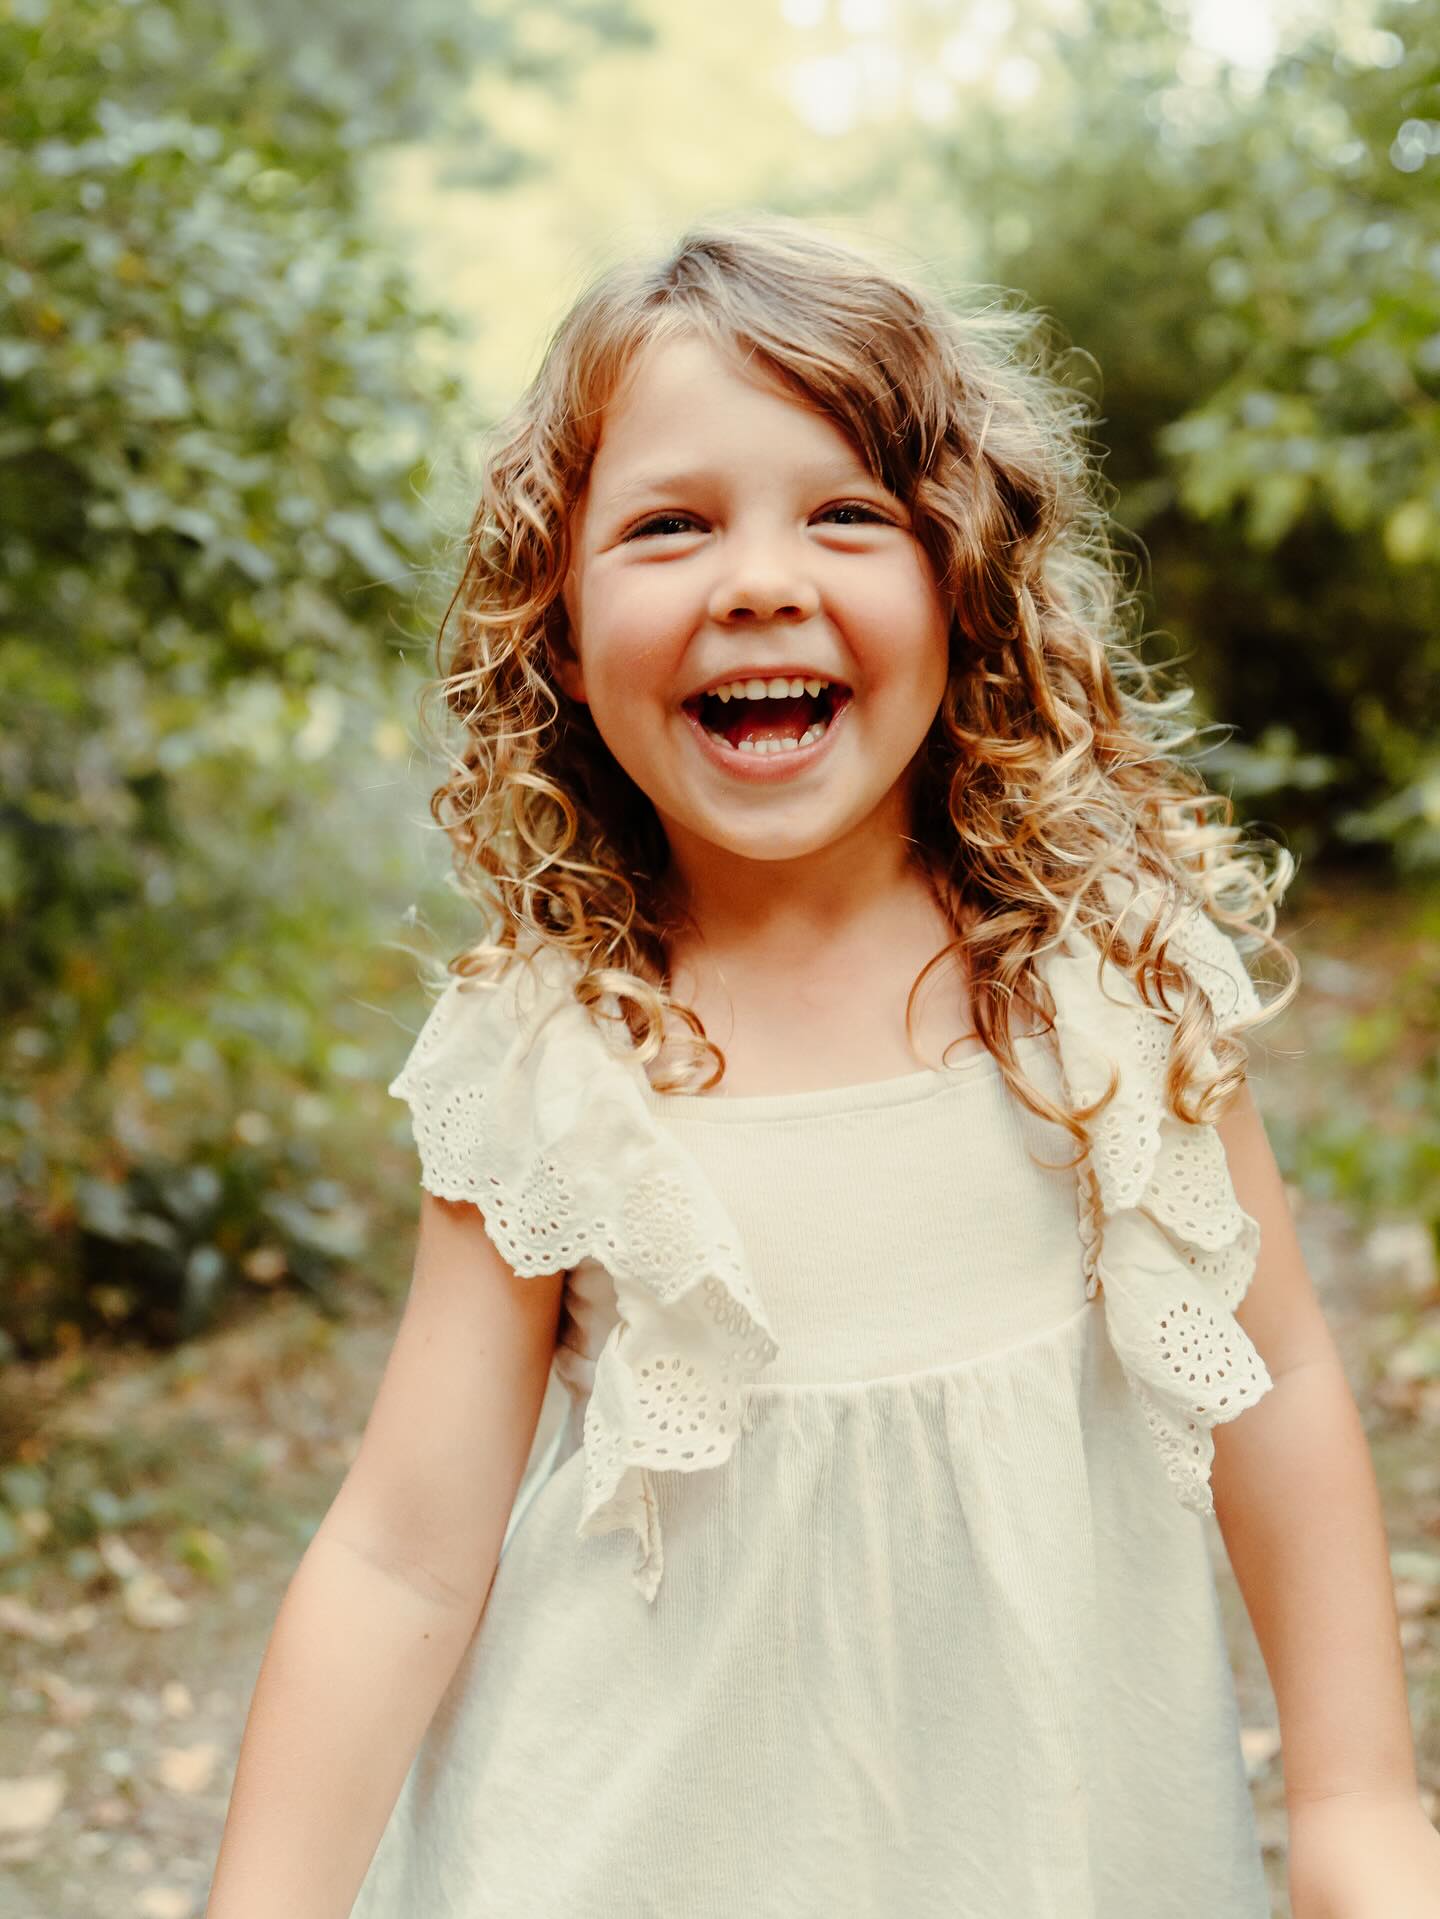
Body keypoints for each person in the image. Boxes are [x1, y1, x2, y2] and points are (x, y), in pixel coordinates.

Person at [206, 220, 1440, 1919]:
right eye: (669, 524)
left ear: (965, 586)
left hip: (1054, 1852)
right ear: (559, 629)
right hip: (614, 1862)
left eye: (848, 512)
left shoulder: (1101, 985)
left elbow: (1277, 1383)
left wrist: (1362, 1796)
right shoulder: (561, 1053)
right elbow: (403, 1550)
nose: (762, 578)